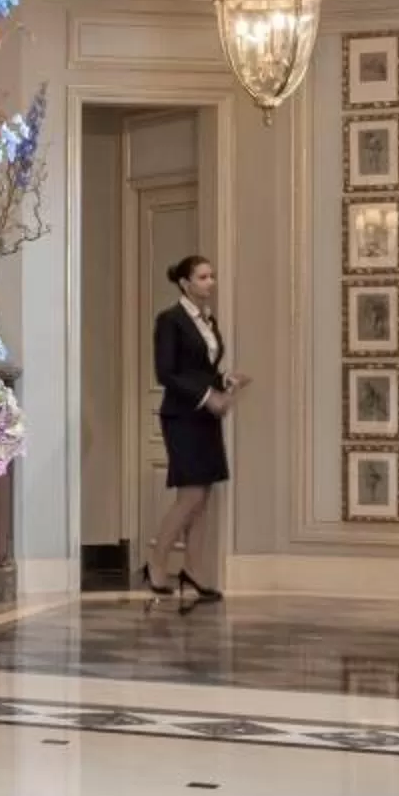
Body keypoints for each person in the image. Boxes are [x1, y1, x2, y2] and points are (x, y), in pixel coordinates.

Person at [148, 254, 243, 603]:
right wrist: (208, 395)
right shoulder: (170, 320)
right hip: (182, 416)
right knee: (190, 496)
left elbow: (200, 368)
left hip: (204, 417)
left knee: (203, 499)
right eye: (203, 277)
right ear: (185, 283)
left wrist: (225, 380)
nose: (210, 283)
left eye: (212, 276)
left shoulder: (208, 321)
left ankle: (194, 571)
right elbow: (167, 373)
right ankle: (156, 563)